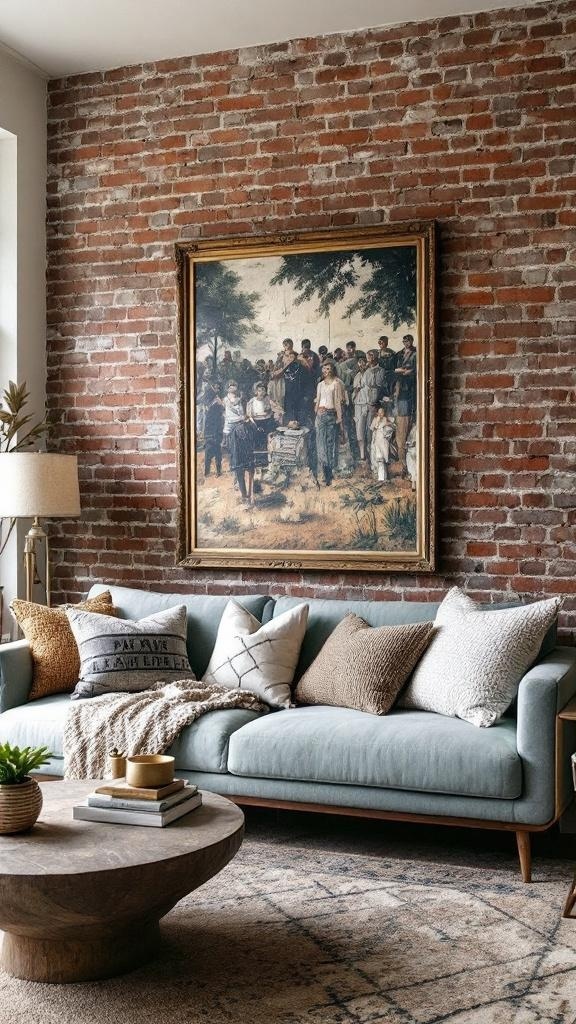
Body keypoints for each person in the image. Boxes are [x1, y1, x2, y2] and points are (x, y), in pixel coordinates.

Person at [223, 381, 256, 504]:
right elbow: (230, 415)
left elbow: (242, 413)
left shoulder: (239, 399)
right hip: (233, 429)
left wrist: (245, 418)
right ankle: (242, 492)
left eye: (234, 386)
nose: (233, 387)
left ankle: (250, 492)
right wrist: (241, 418)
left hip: (241, 428)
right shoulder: (226, 399)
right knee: (236, 459)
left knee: (248, 456)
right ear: (227, 388)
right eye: (230, 386)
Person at [314, 361, 343, 486]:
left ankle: (330, 473)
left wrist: (339, 417)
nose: (327, 371)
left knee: (330, 444)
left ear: (333, 370)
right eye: (325, 369)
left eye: (329, 369)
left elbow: (337, 401)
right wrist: (316, 413)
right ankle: (325, 473)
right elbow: (318, 400)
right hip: (321, 415)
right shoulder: (320, 384)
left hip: (331, 415)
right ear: (322, 371)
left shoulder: (336, 384)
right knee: (321, 445)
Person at [394, 334, 417, 477]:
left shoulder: (415, 353)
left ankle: (406, 466)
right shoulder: (400, 354)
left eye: (408, 341)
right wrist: (402, 371)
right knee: (399, 431)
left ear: (411, 342)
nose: (406, 343)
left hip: (409, 390)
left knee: (405, 428)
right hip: (401, 390)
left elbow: (413, 370)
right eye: (404, 341)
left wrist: (406, 372)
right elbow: (396, 370)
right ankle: (401, 463)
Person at [246, 382, 276, 469]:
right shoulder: (252, 401)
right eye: (259, 390)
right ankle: (257, 461)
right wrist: (254, 424)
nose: (261, 392)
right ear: (256, 392)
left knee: (266, 441)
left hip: (266, 422)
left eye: (263, 390)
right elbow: (249, 415)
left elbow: (273, 409)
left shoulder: (267, 400)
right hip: (255, 422)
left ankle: (265, 461)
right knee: (256, 441)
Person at [202, 381, 224, 477]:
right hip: (209, 431)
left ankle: (218, 471)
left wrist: (218, 433)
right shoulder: (208, 402)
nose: (216, 390)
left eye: (218, 388)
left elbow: (220, 418)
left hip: (216, 430)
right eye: (215, 387)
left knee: (217, 452)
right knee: (208, 453)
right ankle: (207, 472)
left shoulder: (218, 403)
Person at [370, 402, 395, 483]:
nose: (381, 414)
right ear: (377, 413)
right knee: (379, 459)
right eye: (379, 412)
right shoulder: (375, 419)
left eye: (382, 412)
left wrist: (386, 424)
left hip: (384, 442)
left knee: (384, 459)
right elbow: (372, 428)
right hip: (377, 442)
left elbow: (392, 426)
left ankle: (385, 477)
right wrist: (377, 422)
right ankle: (380, 478)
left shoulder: (385, 419)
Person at [352, 355, 370, 461]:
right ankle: (362, 455)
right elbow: (354, 391)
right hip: (358, 404)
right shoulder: (357, 376)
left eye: (363, 362)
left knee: (368, 430)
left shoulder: (369, 374)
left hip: (367, 403)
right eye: (359, 362)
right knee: (359, 430)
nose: (361, 364)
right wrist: (356, 390)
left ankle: (369, 454)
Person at [364, 349, 386, 423]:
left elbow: (379, 383)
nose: (367, 360)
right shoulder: (367, 371)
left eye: (369, 357)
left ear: (373, 358)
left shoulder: (381, 370)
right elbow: (365, 384)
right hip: (367, 401)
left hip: (377, 400)